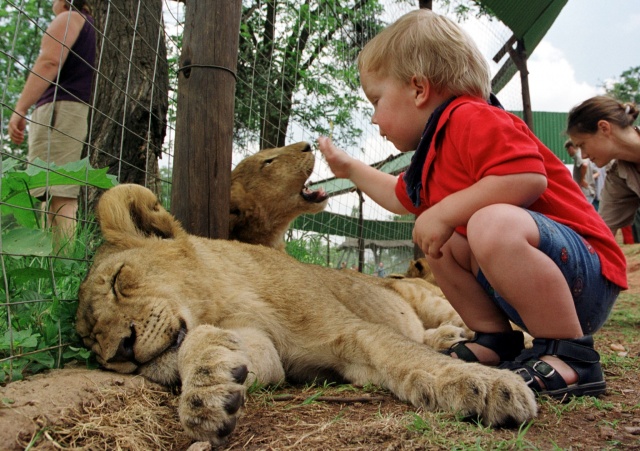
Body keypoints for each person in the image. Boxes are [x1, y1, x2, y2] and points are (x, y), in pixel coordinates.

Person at [318, 9, 626, 400]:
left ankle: (574, 357)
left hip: (587, 275)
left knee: (486, 224)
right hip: (538, 290)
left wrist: (444, 212)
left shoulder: (471, 117)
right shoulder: (431, 159)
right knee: (441, 241)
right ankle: (495, 340)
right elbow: (399, 198)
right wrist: (350, 169)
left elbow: (527, 178)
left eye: (376, 100)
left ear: (418, 89)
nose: (375, 118)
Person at [7, 0, 96, 250]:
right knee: (54, 191)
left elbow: (49, 62)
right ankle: (55, 263)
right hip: (74, 110)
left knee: (59, 193)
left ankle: (62, 265)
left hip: (59, 109)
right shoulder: (89, 25)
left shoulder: (69, 18)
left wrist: (21, 108)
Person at [567, 96, 640, 241]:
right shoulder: (619, 175)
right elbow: (604, 233)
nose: (584, 155)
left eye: (582, 144)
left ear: (604, 128)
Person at [564, 139, 596, 205]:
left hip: (585, 191)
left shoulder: (579, 155)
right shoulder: (580, 155)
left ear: (571, 148)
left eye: (567, 150)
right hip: (586, 191)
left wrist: (582, 179)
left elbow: (584, 165)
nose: (568, 152)